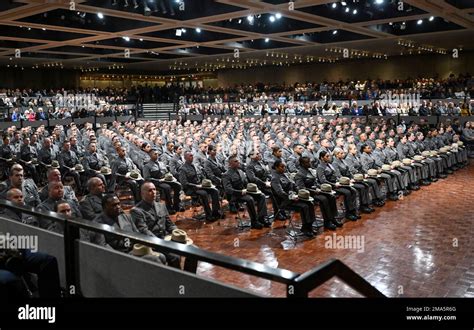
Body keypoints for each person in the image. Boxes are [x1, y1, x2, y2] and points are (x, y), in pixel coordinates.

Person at [222, 155, 269, 229]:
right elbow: (228, 189)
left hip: (245, 192)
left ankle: (262, 218)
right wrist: (240, 192)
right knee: (249, 199)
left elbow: (246, 184)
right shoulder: (226, 175)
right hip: (234, 196)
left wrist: (252, 189)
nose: (238, 162)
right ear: (230, 164)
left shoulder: (240, 172)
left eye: (238, 160)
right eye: (236, 161)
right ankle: (254, 222)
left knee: (261, 195)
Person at [271, 159, 315, 237]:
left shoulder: (286, 174)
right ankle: (305, 228)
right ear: (276, 167)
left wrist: (300, 193)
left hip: (294, 197)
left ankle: (309, 226)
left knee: (310, 203)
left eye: (284, 166)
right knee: (304, 206)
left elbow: (294, 186)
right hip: (285, 201)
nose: (284, 168)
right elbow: (280, 193)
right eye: (282, 167)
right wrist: (291, 197)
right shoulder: (275, 178)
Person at [294, 157, 340, 230]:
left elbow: (316, 182)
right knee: (324, 199)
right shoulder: (299, 174)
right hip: (308, 194)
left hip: (316, 191)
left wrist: (319, 187)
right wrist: (313, 191)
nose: (309, 163)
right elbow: (301, 189)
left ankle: (332, 218)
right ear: (302, 164)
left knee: (331, 196)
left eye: (309, 161)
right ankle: (327, 222)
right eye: (307, 162)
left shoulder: (310, 171)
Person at [316, 151, 359, 221]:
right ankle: (349, 213)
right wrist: (334, 184)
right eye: (327, 156)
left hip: (336, 184)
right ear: (321, 158)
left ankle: (353, 210)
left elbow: (335, 175)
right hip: (329, 187)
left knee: (352, 190)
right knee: (347, 192)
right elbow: (322, 181)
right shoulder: (320, 167)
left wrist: (340, 181)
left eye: (329, 156)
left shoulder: (329, 164)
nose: (329, 157)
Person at [178, 151, 221, 221]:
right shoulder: (182, 169)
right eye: (190, 156)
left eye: (192, 155)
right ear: (185, 158)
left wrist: (204, 183)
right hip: (190, 189)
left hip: (199, 186)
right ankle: (208, 215)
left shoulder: (193, 165)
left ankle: (216, 212)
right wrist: (196, 186)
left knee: (214, 191)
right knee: (204, 194)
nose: (192, 157)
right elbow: (184, 183)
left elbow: (199, 177)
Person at [143, 148, 181, 214]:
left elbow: (166, 172)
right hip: (156, 182)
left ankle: (176, 205)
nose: (157, 155)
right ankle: (169, 207)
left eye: (158, 154)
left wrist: (171, 177)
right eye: (155, 154)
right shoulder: (147, 166)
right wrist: (159, 180)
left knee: (177, 185)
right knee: (167, 188)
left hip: (165, 180)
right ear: (150, 155)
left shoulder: (161, 163)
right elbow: (147, 178)